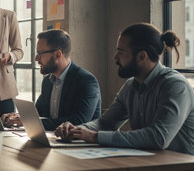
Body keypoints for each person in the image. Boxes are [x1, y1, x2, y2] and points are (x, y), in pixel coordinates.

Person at [55, 23, 194, 156]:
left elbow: (159, 137)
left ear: (141, 56)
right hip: (148, 164)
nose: (115, 57)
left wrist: (96, 137)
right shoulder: (130, 85)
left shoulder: (175, 86)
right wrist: (76, 129)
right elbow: (105, 123)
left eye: (120, 52)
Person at [1, 29, 101, 130]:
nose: (36, 58)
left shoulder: (86, 81)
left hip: (82, 144)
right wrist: (17, 117)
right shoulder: (48, 81)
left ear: (58, 54)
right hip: (55, 140)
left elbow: (79, 121)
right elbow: (38, 113)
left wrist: (30, 122)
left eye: (40, 54)